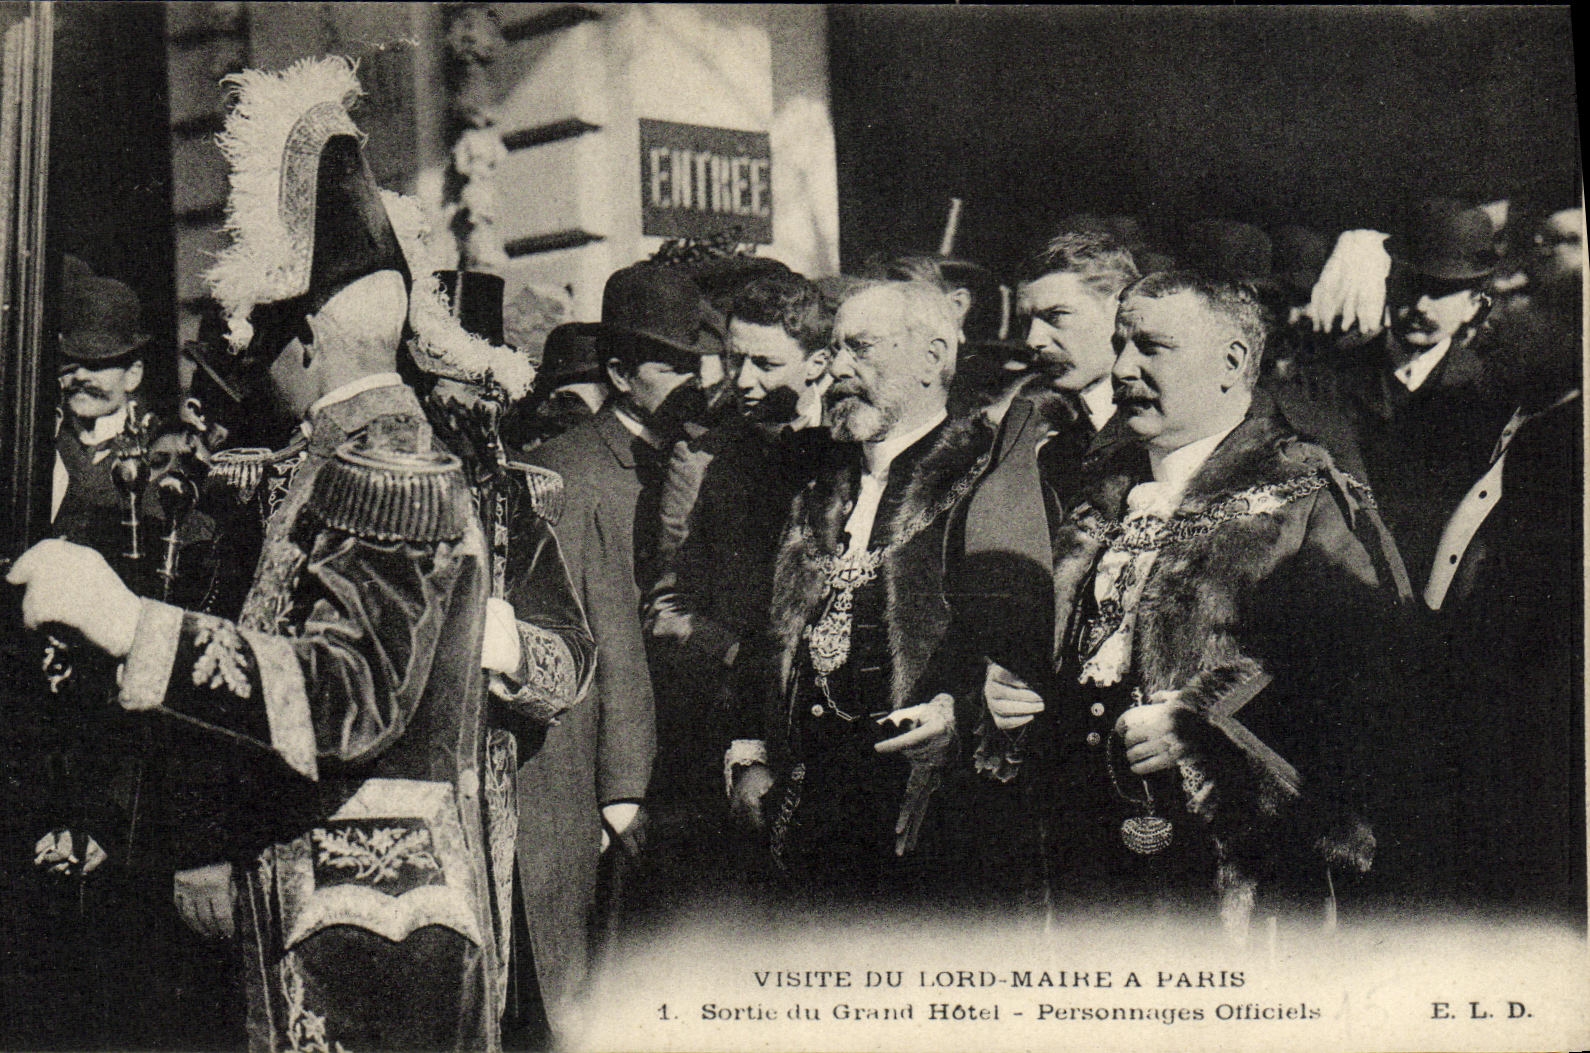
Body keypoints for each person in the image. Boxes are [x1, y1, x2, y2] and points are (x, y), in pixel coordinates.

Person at [9, 55, 510, 1051]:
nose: (245, 358)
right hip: (326, 909)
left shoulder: (389, 467)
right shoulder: (333, 455)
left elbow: (346, 696)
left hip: (379, 933)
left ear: (311, 338)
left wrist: (129, 624)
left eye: (261, 334)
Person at [979, 273, 1411, 935]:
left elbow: (1371, 693)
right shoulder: (1094, 488)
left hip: (1231, 881)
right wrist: (1011, 695)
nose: (1123, 367)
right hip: (1078, 868)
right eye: (1121, 343)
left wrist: (1209, 729)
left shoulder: (1306, 498)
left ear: (1232, 363)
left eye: (1152, 347)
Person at [741, 280, 996, 907]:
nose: (839, 370)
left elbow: (1014, 658)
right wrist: (748, 750)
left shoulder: (985, 482)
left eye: (863, 349)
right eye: (835, 350)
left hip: (922, 831)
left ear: (933, 359)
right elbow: (772, 634)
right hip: (803, 819)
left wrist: (960, 719)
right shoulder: (819, 485)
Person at [516, 262, 713, 1041]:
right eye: (673, 367)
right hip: (607, 776)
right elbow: (578, 643)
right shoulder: (567, 470)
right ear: (622, 373)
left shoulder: (705, 458)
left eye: (700, 364)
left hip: (694, 759)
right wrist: (615, 789)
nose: (692, 383)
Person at [640, 271, 834, 914]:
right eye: (734, 360)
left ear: (820, 362)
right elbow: (666, 607)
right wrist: (745, 661)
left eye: (766, 363)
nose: (743, 381)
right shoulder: (706, 459)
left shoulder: (853, 446)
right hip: (741, 737)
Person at [1423, 205, 1584, 918]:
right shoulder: (1490, 412)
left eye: (1509, 301)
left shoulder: (1569, 450)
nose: (1482, 317)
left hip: (1528, 775)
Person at [1273, 199, 1515, 583]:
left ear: (1474, 305)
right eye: (1412, 284)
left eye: (1442, 291)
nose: (1421, 305)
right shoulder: (1324, 376)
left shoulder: (1489, 394)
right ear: (1389, 282)